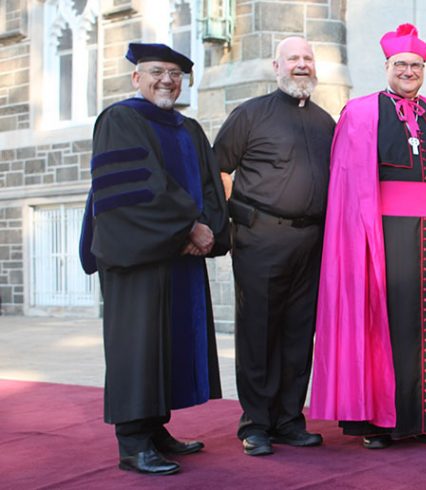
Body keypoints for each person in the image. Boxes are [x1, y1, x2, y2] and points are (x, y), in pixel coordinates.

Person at [309, 24, 426, 449]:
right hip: (379, 237)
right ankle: (379, 423)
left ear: (424, 69)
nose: (409, 71)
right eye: (401, 64)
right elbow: (348, 185)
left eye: (416, 65)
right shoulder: (361, 111)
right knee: (383, 326)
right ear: (386, 66)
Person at [78, 43, 229, 475]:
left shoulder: (189, 128)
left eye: (176, 74)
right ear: (136, 77)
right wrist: (186, 228)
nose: (167, 80)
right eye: (157, 72)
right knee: (138, 346)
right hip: (136, 256)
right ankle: (132, 442)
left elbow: (209, 186)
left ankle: (156, 428)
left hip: (179, 256)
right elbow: (134, 187)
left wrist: (209, 233)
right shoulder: (121, 118)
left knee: (169, 343)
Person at [213, 36, 335, 456]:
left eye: (307, 58)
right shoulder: (249, 115)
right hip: (261, 239)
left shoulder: (325, 122)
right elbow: (218, 170)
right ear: (276, 65)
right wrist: (234, 223)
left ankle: (289, 420)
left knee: (299, 334)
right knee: (259, 333)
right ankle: (256, 424)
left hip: (312, 242)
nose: (301, 65)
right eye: (293, 59)